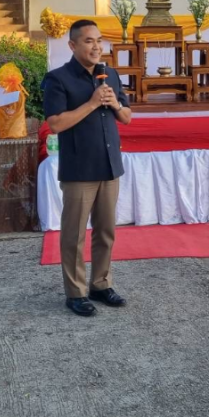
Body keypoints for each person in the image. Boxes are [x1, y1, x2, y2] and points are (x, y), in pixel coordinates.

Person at [42, 19, 132, 317]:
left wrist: (115, 105)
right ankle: (76, 292)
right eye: (89, 41)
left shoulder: (111, 74)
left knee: (106, 231)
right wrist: (93, 103)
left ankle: (100, 284)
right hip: (80, 168)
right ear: (72, 45)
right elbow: (55, 124)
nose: (96, 47)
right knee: (74, 234)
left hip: (109, 165)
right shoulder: (58, 79)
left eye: (99, 40)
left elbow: (127, 116)